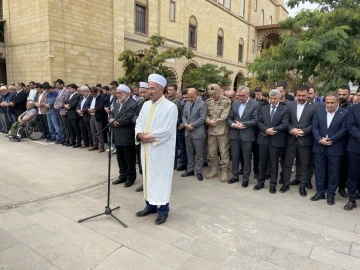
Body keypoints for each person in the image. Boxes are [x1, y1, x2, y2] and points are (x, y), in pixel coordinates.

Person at [134, 74, 178, 225]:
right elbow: (139, 122)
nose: (149, 91)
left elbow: (167, 130)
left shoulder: (170, 107)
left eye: (152, 88)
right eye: (149, 88)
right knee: (148, 177)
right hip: (146, 149)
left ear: (161, 89)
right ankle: (150, 205)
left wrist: (148, 137)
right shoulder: (146, 105)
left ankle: (163, 210)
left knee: (161, 179)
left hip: (161, 151)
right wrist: (139, 134)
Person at [279, 85, 318, 196]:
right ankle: (286, 183)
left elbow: (314, 123)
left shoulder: (315, 106)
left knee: (305, 164)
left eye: (303, 95)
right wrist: (291, 130)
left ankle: (303, 185)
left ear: (308, 95)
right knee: (287, 163)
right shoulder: (289, 105)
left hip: (305, 139)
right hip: (291, 139)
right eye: (298, 95)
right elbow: (285, 121)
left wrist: (303, 131)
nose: (300, 97)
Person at [311, 92, 348, 205]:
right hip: (319, 146)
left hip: (335, 147)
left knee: (334, 172)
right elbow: (315, 127)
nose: (329, 105)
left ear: (338, 102)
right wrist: (319, 139)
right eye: (327, 102)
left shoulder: (345, 113)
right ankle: (320, 192)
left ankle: (331, 195)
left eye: (332, 102)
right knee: (319, 171)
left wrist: (331, 139)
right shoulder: (319, 111)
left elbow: (344, 129)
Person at [254, 89, 289, 193]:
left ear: (279, 98)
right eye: (271, 98)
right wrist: (265, 130)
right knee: (262, 162)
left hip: (276, 140)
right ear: (268, 98)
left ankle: (273, 184)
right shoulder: (263, 108)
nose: (273, 100)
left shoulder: (284, 109)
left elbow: (284, 124)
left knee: (274, 163)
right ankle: (260, 182)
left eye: (275, 98)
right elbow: (259, 122)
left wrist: (271, 130)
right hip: (263, 139)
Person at [227, 86, 259, 187]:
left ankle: (246, 178)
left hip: (247, 135)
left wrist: (242, 124)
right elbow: (229, 118)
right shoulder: (235, 104)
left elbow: (255, 120)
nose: (240, 98)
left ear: (248, 95)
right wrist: (233, 125)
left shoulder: (255, 104)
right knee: (235, 157)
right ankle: (235, 176)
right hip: (234, 134)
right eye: (239, 96)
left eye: (242, 96)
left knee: (246, 157)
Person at [110, 84, 137, 188]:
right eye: (117, 93)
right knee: (120, 157)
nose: (117, 95)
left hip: (127, 135)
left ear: (127, 93)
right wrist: (111, 119)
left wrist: (114, 121)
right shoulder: (118, 103)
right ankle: (122, 175)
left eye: (119, 93)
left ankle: (130, 177)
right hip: (117, 135)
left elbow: (128, 119)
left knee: (129, 158)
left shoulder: (132, 104)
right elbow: (112, 114)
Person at [205, 84, 231, 182]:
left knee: (224, 152)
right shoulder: (208, 102)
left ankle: (224, 171)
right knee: (212, 152)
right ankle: (214, 170)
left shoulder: (226, 101)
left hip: (222, 131)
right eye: (211, 94)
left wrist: (213, 121)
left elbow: (225, 115)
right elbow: (205, 114)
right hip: (211, 131)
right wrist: (208, 121)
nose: (213, 96)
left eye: (215, 93)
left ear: (219, 91)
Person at [181, 88, 207, 181]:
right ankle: (190, 169)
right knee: (189, 153)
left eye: (191, 97)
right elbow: (184, 115)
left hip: (198, 132)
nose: (189, 99)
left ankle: (199, 172)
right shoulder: (187, 104)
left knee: (199, 154)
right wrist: (185, 124)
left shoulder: (203, 104)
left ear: (196, 94)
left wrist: (191, 125)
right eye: (188, 97)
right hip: (188, 132)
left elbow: (202, 118)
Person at [133, 82, 150, 192]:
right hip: (140, 135)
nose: (142, 95)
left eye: (144, 92)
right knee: (141, 160)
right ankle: (144, 182)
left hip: (149, 136)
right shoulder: (140, 103)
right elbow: (134, 116)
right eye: (140, 93)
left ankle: (149, 184)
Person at [337, 84, 352, 198]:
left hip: (345, 143)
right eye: (339, 94)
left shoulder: (352, 108)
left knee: (343, 167)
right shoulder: (330, 105)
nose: (341, 96)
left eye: (344, 94)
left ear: (349, 95)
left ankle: (341, 187)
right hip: (330, 142)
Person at [344, 102, 360, 211]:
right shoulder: (354, 108)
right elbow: (350, 126)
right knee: (352, 175)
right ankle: (352, 200)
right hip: (355, 148)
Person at [167, 84, 182, 170]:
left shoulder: (176, 101)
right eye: (168, 90)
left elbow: (175, 115)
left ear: (175, 91)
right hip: (167, 125)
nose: (169, 91)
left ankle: (174, 163)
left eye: (171, 90)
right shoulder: (167, 99)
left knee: (173, 146)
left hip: (173, 126)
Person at [88, 87, 106, 153]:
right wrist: (88, 109)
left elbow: (100, 107)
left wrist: (93, 110)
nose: (93, 95)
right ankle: (95, 145)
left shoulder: (101, 97)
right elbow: (86, 104)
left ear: (97, 92)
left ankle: (101, 146)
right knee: (93, 132)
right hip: (91, 115)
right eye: (91, 94)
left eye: (94, 94)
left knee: (99, 132)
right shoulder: (90, 97)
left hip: (98, 116)